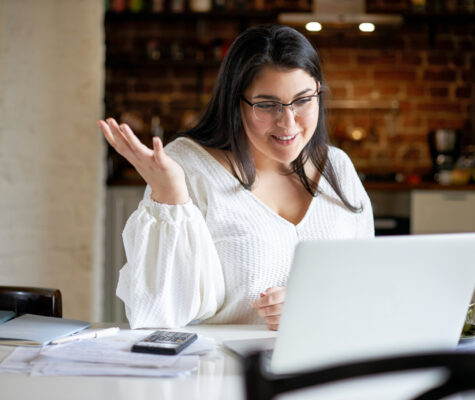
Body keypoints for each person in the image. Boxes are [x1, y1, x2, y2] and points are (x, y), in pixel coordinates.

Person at [98, 25, 374, 331]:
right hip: (222, 369)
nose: (288, 122)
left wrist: (312, 304)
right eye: (267, 105)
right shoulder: (186, 166)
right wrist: (169, 196)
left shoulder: (338, 167)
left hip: (330, 366)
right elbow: (158, 315)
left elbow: (369, 288)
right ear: (235, 101)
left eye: (303, 100)